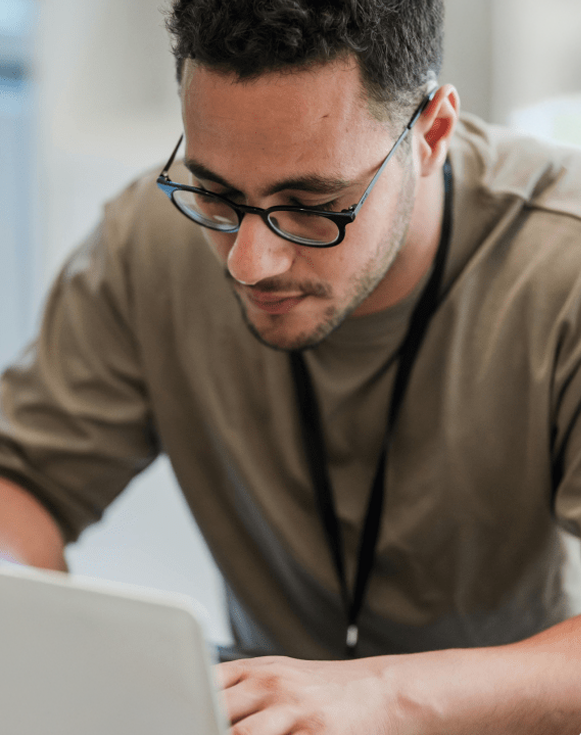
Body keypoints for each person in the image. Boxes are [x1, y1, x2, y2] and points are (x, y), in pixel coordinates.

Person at [1, 0, 581, 730]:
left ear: (430, 133)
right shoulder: (145, 242)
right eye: (215, 193)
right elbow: (22, 481)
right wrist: (32, 638)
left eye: (310, 203)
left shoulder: (565, 268)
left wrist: (381, 696)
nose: (250, 262)